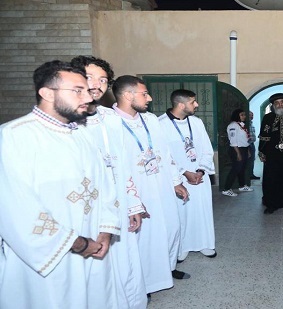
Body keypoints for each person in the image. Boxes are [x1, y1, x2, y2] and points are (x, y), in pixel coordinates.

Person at [0, 60, 120, 308]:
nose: (88, 96)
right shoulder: (14, 136)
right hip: (49, 255)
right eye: (77, 90)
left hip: (95, 246)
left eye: (87, 90)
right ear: (46, 93)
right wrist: (78, 243)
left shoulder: (83, 134)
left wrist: (105, 231)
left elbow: (105, 186)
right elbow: (17, 209)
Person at [71, 56, 148, 309]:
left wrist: (133, 203)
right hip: (86, 208)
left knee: (124, 260)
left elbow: (123, 163)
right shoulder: (67, 120)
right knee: (93, 272)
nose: (97, 84)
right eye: (90, 77)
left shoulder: (110, 117)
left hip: (119, 201)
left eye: (103, 79)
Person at [111, 75, 190, 297]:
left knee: (171, 228)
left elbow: (166, 154)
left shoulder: (152, 120)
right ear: (128, 95)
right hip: (138, 189)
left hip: (162, 185)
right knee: (145, 237)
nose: (150, 98)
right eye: (144, 94)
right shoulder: (110, 123)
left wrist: (176, 181)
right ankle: (144, 282)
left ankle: (168, 268)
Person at [159, 89, 217, 262]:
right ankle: (182, 246)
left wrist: (200, 170)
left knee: (202, 210)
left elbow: (207, 149)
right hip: (178, 178)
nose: (197, 105)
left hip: (200, 176)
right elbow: (163, 154)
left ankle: (204, 243)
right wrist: (184, 172)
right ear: (181, 104)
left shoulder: (197, 122)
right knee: (181, 213)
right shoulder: (160, 124)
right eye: (193, 102)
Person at [222, 109, 253, 197]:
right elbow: (233, 140)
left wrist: (247, 151)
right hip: (236, 149)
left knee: (242, 168)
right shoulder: (233, 126)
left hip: (244, 148)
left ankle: (242, 185)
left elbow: (245, 139)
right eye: (242, 115)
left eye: (244, 115)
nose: (244, 116)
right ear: (237, 116)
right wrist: (238, 153)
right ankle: (226, 189)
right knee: (236, 169)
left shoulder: (242, 125)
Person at [248, 111, 261, 180]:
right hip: (248, 144)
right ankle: (248, 175)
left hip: (252, 143)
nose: (252, 117)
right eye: (250, 115)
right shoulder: (246, 124)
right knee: (249, 160)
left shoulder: (251, 123)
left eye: (252, 115)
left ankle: (251, 174)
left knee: (252, 159)